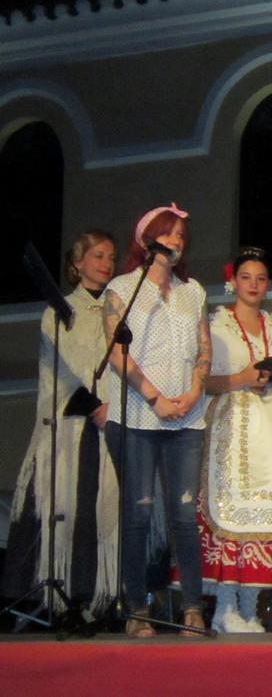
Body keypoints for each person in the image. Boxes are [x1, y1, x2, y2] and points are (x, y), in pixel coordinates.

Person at [102, 204, 210, 638]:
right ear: (148, 239)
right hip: (137, 417)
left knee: (184, 514)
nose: (178, 240)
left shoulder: (193, 292)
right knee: (138, 515)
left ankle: (192, 608)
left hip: (187, 416)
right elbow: (115, 352)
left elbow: (204, 349)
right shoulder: (123, 289)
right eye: (170, 233)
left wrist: (196, 389)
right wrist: (154, 397)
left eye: (183, 234)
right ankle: (137, 607)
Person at [2, 230, 118, 617]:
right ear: (78, 262)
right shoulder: (59, 312)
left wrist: (114, 406)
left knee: (101, 512)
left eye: (111, 258)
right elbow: (61, 373)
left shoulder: (116, 313)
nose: (106, 263)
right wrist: (95, 406)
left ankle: (99, 600)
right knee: (68, 509)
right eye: (98, 255)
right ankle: (58, 600)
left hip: (111, 425)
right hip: (74, 425)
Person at [196, 248, 272, 633]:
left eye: (261, 279)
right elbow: (200, 381)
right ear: (234, 282)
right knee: (235, 515)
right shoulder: (216, 324)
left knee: (264, 519)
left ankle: (250, 608)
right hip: (233, 427)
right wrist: (242, 379)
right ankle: (224, 607)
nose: (254, 285)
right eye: (247, 277)